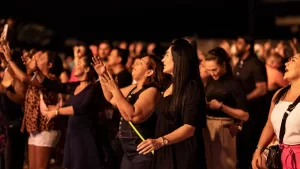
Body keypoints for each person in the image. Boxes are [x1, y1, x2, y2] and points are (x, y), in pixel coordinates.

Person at [137, 39, 207, 169]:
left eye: (167, 55)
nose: (163, 60)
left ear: (178, 59)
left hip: (182, 152)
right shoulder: (169, 84)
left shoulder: (191, 88)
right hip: (164, 148)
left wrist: (160, 141)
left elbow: (189, 128)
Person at [93, 53, 165, 169]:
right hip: (129, 151)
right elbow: (111, 98)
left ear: (149, 72)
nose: (134, 64)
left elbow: (133, 116)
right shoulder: (134, 88)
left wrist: (115, 89)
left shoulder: (152, 91)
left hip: (142, 151)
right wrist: (103, 75)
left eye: (140, 63)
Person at [0, 44, 63, 169]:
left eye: (41, 59)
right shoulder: (36, 78)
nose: (36, 59)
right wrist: (7, 63)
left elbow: (23, 78)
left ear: (50, 65)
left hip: (46, 128)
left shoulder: (50, 79)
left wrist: (10, 60)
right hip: (35, 128)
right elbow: (21, 83)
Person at [252, 54, 300, 169]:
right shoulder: (279, 94)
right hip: (280, 156)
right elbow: (269, 125)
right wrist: (258, 150)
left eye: (293, 60)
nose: (286, 63)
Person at [203, 47, 249, 169]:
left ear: (223, 64)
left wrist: (221, 107)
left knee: (224, 165)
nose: (212, 73)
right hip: (208, 126)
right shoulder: (210, 80)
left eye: (215, 69)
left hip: (224, 127)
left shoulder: (234, 83)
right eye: (209, 70)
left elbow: (245, 115)